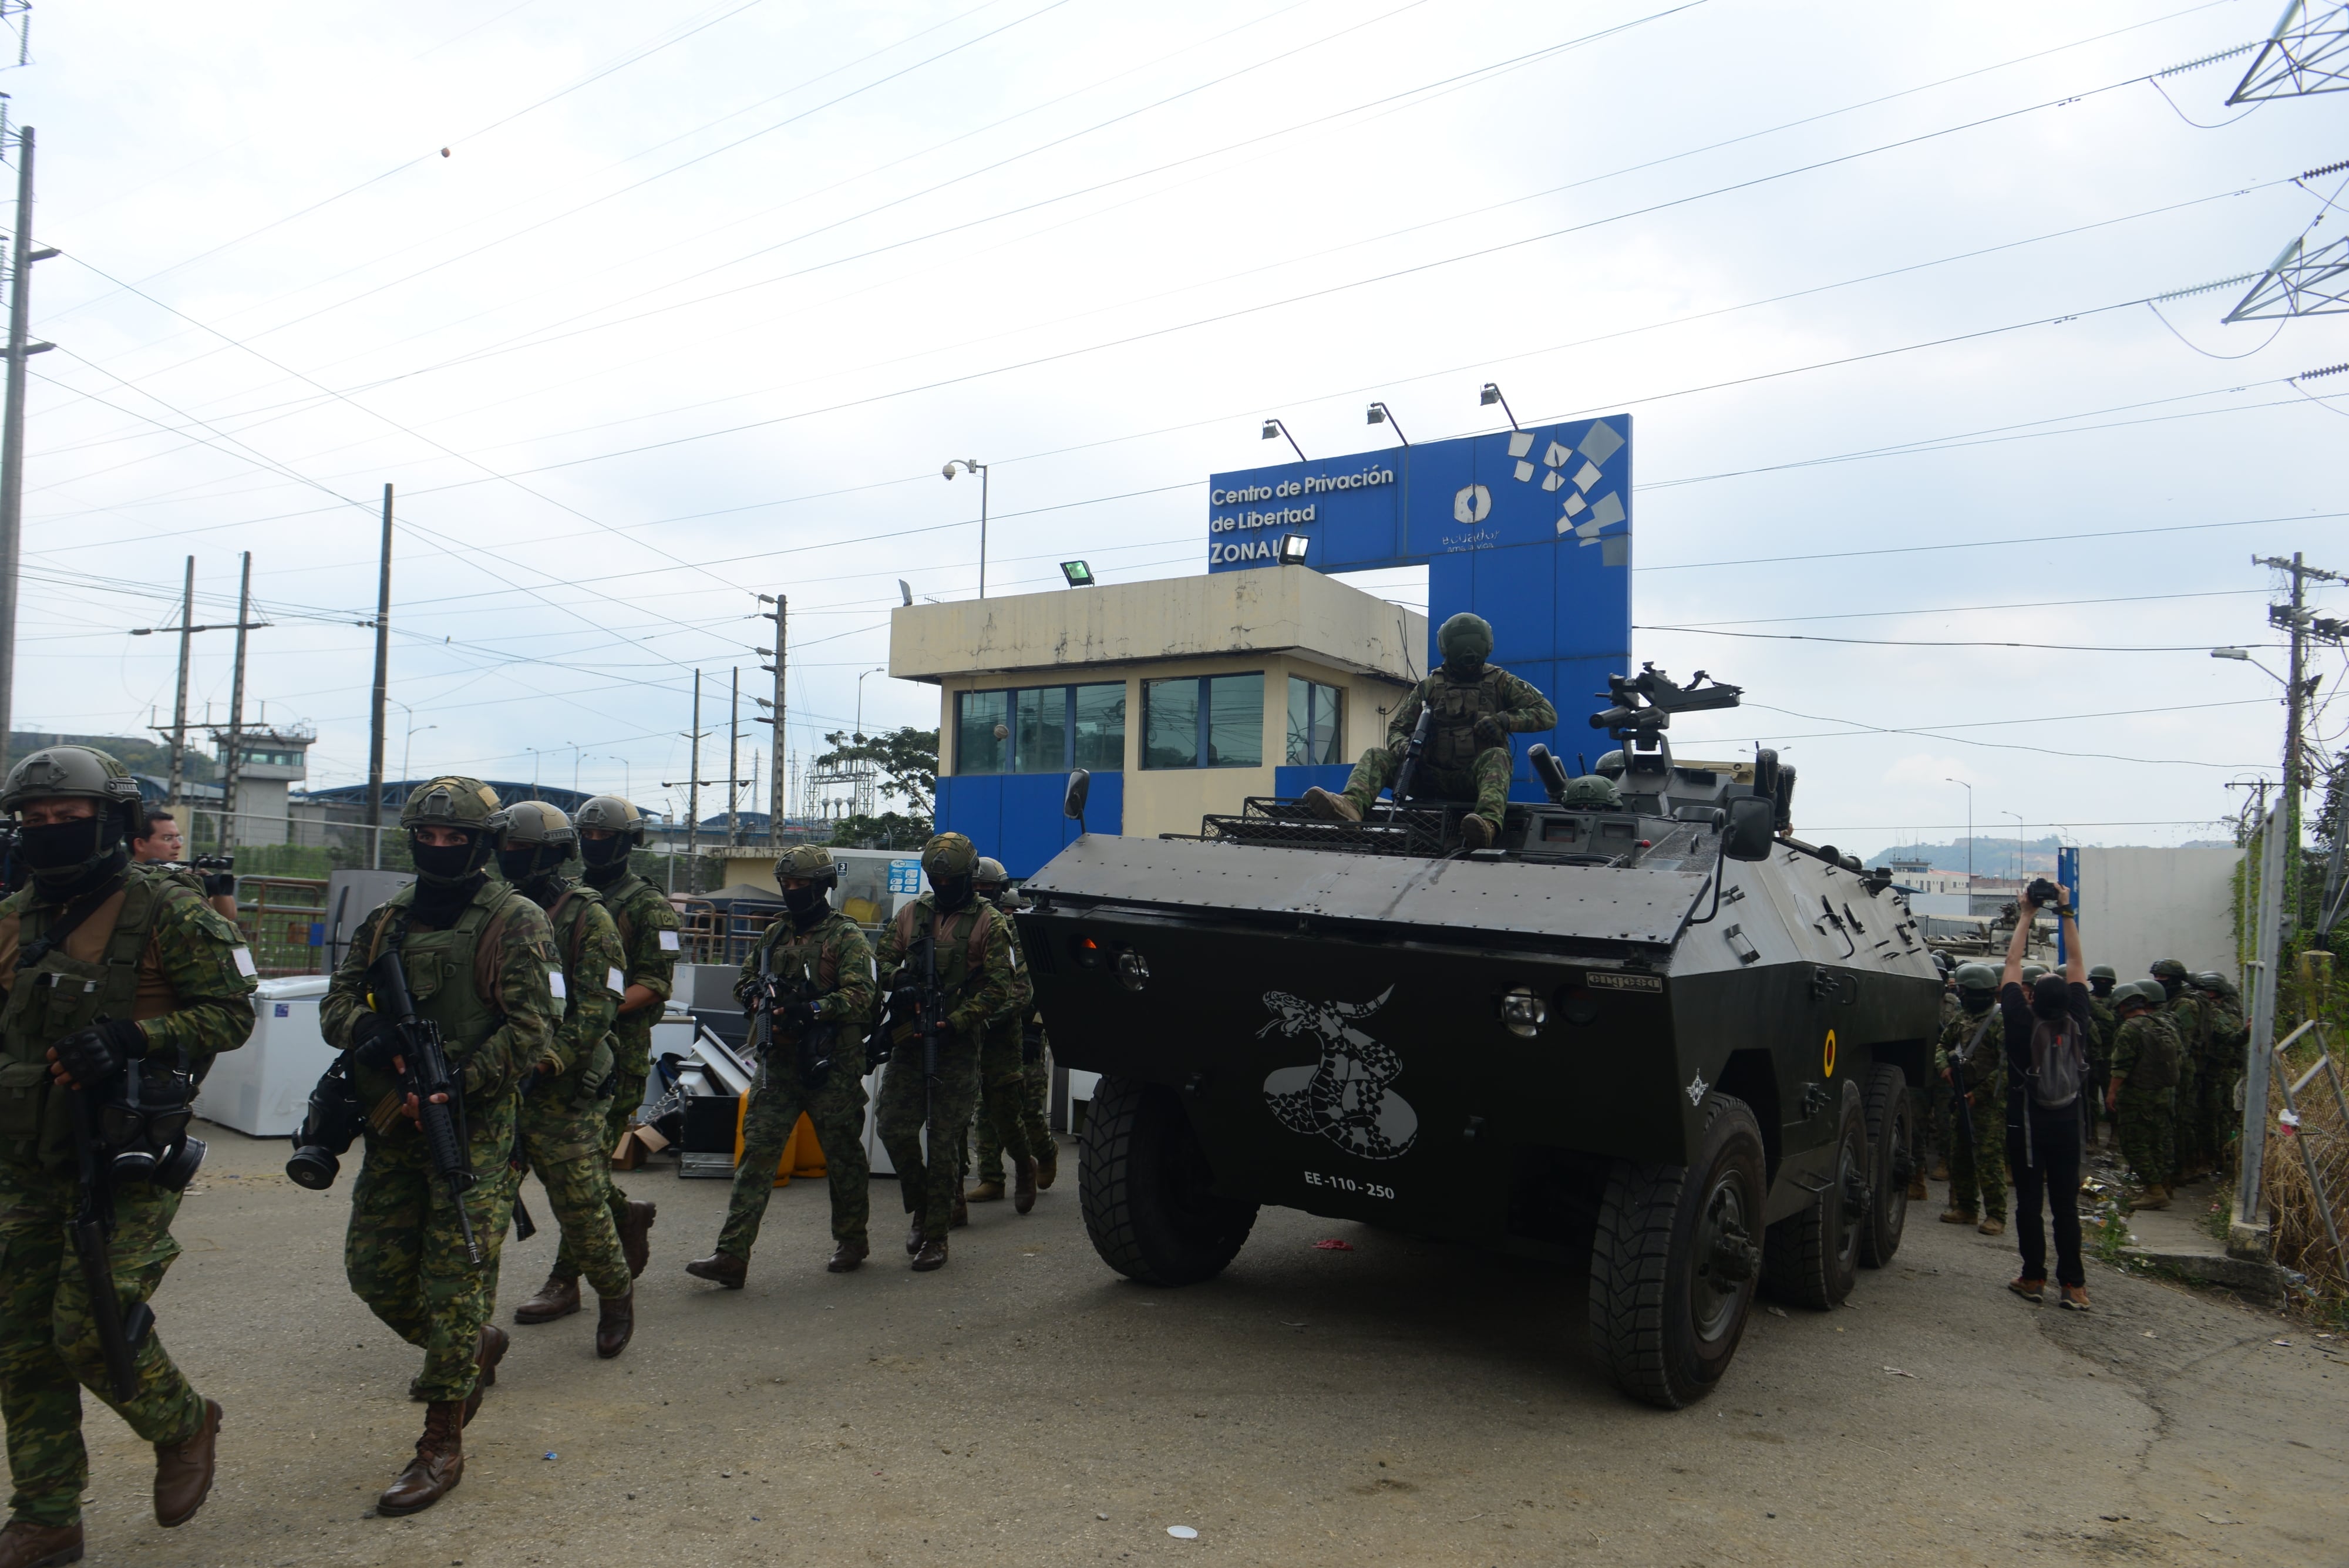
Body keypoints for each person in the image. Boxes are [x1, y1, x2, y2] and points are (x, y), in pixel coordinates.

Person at [0, 746, 254, 1563]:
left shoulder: (168, 911)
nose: (50, 835)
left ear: (110, 822)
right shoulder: (16, 915)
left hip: (124, 1155)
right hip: (24, 1154)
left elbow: (231, 1013)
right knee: (19, 1339)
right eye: (34, 823)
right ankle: (47, 1514)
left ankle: (185, 1422)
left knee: (85, 1324)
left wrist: (133, 1037)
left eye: (67, 821)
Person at [319, 776, 558, 1516]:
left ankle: (440, 1441)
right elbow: (337, 1000)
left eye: (456, 839)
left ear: (483, 845)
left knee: (456, 1283)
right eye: (428, 837)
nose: (440, 849)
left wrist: (456, 1081)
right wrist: (370, 1033)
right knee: (373, 1272)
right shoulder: (388, 921)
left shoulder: (516, 920)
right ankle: (471, 1346)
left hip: (473, 1130)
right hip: (395, 1122)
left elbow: (531, 1029)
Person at [687, 846, 876, 1286]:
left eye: (799, 885)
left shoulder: (845, 936)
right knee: (757, 1154)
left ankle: (852, 1239)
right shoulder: (774, 934)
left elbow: (862, 995)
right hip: (779, 1064)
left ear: (822, 886)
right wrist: (756, 997)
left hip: (829, 1064)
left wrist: (809, 1008)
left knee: (843, 1155)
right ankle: (731, 1254)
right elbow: (743, 981)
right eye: (786, 885)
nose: (791, 892)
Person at [494, 803, 637, 1357]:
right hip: (497, 1084)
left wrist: (547, 1061)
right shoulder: (493, 912)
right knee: (479, 1217)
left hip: (563, 1090)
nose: (508, 860)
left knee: (581, 1206)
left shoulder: (587, 918)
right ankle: (463, 1344)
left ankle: (615, 1294)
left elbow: (600, 1005)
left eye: (519, 850)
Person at [873, 833, 1021, 1271]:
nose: (941, 885)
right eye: (934, 878)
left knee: (943, 1145)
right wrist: (897, 981)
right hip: (909, 1040)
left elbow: (1002, 987)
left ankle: (936, 1235)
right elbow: (880, 960)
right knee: (893, 1128)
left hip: (956, 1045)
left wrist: (958, 1020)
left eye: (949, 878)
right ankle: (922, 1205)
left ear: (967, 876)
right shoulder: (911, 914)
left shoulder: (991, 923)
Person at [1301, 612, 1558, 850]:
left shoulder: (1502, 682)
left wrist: (1505, 720)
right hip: (1425, 775)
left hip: (1471, 780)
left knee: (1497, 757)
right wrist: (1406, 747)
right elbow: (1397, 729)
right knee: (1376, 755)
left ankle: (1487, 824)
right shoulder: (1430, 687)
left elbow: (1547, 715)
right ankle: (1351, 806)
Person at [566, 795, 669, 1284]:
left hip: (616, 1054)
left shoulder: (648, 905)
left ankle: (564, 1281)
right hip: (555, 1049)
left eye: (604, 836)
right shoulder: (566, 895)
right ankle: (627, 1215)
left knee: (582, 1170)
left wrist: (591, 1014)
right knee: (566, 1168)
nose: (593, 844)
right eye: (586, 835)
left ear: (629, 842)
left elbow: (654, 984)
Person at [1997, 883, 2092, 1311]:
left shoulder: (2019, 1021)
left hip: (2027, 1123)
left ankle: (2033, 1277)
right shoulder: (2078, 1019)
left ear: (2032, 997)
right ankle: (2073, 1287)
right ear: (2069, 997)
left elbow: (2013, 962)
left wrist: (2026, 913)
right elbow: (2075, 961)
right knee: (2065, 1206)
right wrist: (2066, 912)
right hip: (2068, 1122)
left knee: (2030, 1203)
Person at [964, 856, 1041, 1213]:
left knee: (1010, 1112)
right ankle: (991, 1178)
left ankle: (1031, 1161)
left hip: (1001, 1035)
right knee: (973, 1110)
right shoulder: (956, 927)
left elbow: (1021, 991)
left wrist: (981, 1016)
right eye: (974, 888)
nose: (980, 895)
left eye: (987, 890)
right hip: (961, 1034)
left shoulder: (1013, 934)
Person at [1936, 962, 2007, 1234]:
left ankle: (1996, 1215)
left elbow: (2008, 1067)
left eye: (1965, 989)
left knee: (1989, 1159)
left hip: (1988, 1100)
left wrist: (1979, 1094)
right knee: (1961, 1154)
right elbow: (1943, 1044)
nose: (1962, 994)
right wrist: (1944, 1066)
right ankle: (1966, 1208)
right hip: (1961, 1093)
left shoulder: (2000, 1021)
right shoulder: (1964, 1015)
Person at [2107, 981, 2181, 1212]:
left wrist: (2112, 1093)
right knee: (2160, 1141)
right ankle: (2165, 1185)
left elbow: (2121, 1066)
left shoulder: (2130, 1029)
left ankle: (2154, 1191)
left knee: (2134, 1144)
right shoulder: (2163, 1024)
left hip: (2136, 1097)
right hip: (2162, 1094)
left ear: (2122, 1007)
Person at [2150, 960, 2209, 1183]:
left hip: (2182, 1066)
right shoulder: (2175, 1000)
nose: (2158, 982)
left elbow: (2179, 1038)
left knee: (2181, 1119)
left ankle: (2184, 1167)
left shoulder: (2186, 1004)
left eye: (2163, 978)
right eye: (2156, 978)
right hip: (2176, 1064)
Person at [129, 807, 237, 924]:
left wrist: (215, 886)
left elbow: (228, 916)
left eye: (178, 838)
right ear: (140, 844)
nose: (178, 845)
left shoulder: (182, 875)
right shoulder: (127, 880)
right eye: (167, 838)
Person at [2191, 971, 2247, 1177]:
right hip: (2221, 1071)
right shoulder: (2229, 1010)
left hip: (2219, 1072)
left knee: (2213, 1116)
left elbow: (2232, 1037)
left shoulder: (2217, 1012)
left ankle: (2217, 1158)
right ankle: (2220, 1158)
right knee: (2219, 1115)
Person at [2084, 965, 2119, 1148]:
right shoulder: (2087, 999)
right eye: (2098, 981)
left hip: (2110, 1056)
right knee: (2090, 1099)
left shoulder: (2117, 1001)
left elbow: (2111, 1020)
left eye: (2105, 981)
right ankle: (2092, 1135)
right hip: (2089, 1056)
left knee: (2111, 1097)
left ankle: (2115, 1133)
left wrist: (2091, 1007)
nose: (2101, 984)